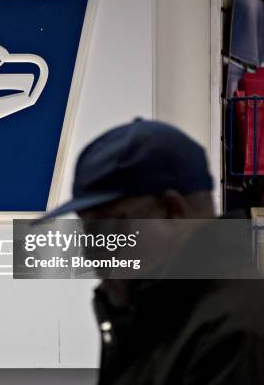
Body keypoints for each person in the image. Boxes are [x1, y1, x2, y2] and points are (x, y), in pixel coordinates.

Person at [46, 119, 264, 384]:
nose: (91, 251)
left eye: (107, 224)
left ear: (173, 210)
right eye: (86, 227)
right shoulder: (157, 314)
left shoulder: (235, 330)